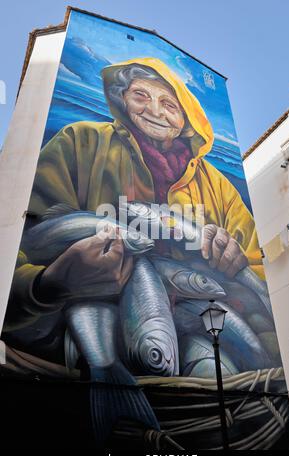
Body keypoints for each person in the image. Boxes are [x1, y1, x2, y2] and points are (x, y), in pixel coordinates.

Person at [3, 57, 263, 335]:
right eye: (140, 95)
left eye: (169, 105)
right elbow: (19, 234)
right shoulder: (79, 141)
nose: (154, 110)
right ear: (122, 99)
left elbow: (258, 268)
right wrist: (46, 285)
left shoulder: (219, 187)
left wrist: (235, 263)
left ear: (186, 121)